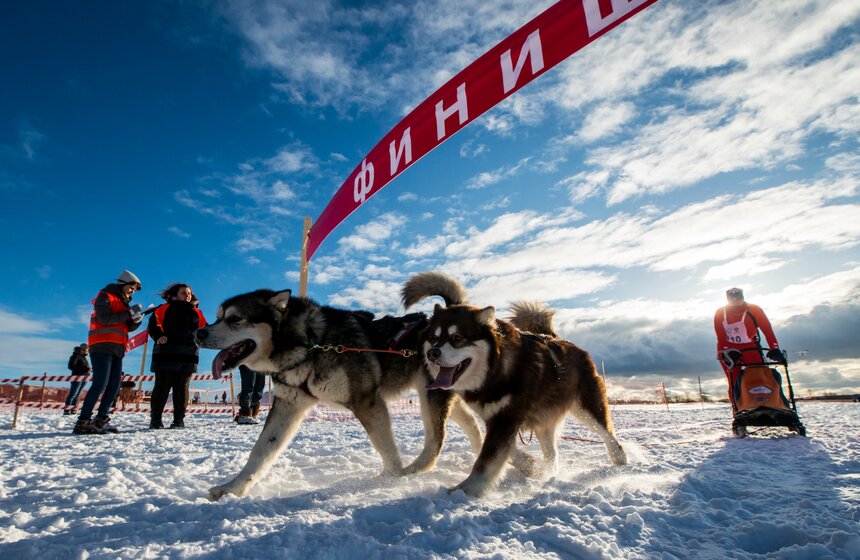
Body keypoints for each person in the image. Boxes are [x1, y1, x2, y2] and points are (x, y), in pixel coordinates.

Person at [73, 270, 144, 435]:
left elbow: (127, 326)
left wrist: (136, 320)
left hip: (118, 349)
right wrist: (128, 313)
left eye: (135, 290)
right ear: (123, 283)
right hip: (102, 346)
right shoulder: (105, 296)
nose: (132, 291)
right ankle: (83, 421)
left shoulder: (124, 303)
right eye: (131, 287)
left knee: (113, 387)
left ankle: (101, 419)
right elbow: (104, 318)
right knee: (100, 384)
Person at [147, 283, 207, 429]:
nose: (187, 295)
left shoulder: (197, 313)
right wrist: (158, 336)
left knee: (182, 389)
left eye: (189, 293)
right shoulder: (164, 309)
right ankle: (155, 420)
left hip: (188, 356)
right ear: (175, 295)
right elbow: (153, 325)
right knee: (162, 387)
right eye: (183, 293)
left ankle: (179, 420)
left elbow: (205, 330)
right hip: (166, 355)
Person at [714, 287, 784, 408]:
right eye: (733, 299)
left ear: (743, 297)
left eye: (739, 298)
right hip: (729, 349)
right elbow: (720, 335)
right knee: (734, 380)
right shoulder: (721, 312)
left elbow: (767, 330)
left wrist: (774, 348)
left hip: (750, 347)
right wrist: (727, 352)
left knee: (760, 375)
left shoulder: (754, 309)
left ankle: (767, 405)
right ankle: (738, 410)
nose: (736, 302)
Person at [64, 343, 91, 415]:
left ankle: (73, 409)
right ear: (84, 349)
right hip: (77, 377)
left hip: (84, 378)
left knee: (78, 394)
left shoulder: (83, 357)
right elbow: (71, 366)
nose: (88, 351)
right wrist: (85, 369)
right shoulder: (75, 356)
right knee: (73, 394)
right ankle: (66, 410)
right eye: (87, 349)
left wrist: (89, 370)